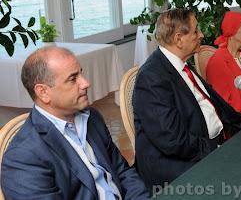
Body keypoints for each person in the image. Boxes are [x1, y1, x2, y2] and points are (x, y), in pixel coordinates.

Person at [1, 47, 149, 200]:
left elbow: (122, 171)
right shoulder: (23, 157)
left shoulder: (92, 118)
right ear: (43, 92)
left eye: (81, 73)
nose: (85, 83)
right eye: (73, 79)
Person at [133, 9, 241, 191]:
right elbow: (173, 141)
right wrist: (219, 149)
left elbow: (213, 103)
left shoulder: (181, 65)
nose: (202, 35)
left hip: (206, 144)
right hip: (178, 166)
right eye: (196, 31)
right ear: (178, 39)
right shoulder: (151, 78)